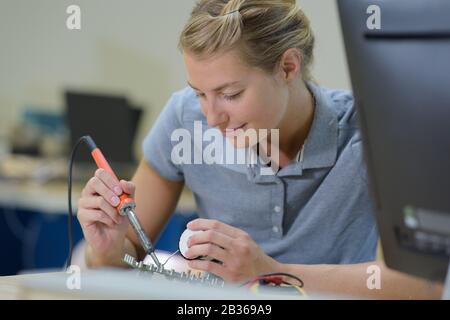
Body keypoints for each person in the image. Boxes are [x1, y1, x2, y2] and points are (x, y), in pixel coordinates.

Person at [75, 0, 443, 299]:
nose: (212, 117)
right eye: (200, 93)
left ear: (287, 66)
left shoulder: (369, 134)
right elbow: (125, 260)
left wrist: (270, 272)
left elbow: (422, 284)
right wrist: (107, 247)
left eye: (231, 94)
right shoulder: (185, 119)